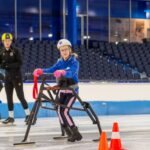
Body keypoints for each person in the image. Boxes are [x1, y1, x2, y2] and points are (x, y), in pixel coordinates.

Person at [33, 39, 82, 142]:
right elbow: (51, 69)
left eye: (66, 49)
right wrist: (41, 71)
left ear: (70, 50)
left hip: (72, 91)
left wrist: (63, 72)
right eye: (62, 50)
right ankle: (68, 132)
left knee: (64, 111)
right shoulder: (59, 62)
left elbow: (71, 73)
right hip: (62, 90)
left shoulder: (74, 62)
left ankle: (75, 132)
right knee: (59, 111)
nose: (64, 52)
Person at [0, 33, 30, 125]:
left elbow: (20, 63)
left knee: (20, 96)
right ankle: (11, 117)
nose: (7, 42)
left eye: (9, 41)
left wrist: (7, 65)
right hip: (7, 78)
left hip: (17, 77)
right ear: (3, 42)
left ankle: (29, 115)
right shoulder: (1, 51)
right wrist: (3, 65)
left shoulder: (16, 51)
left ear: (11, 41)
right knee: (9, 98)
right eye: (5, 41)